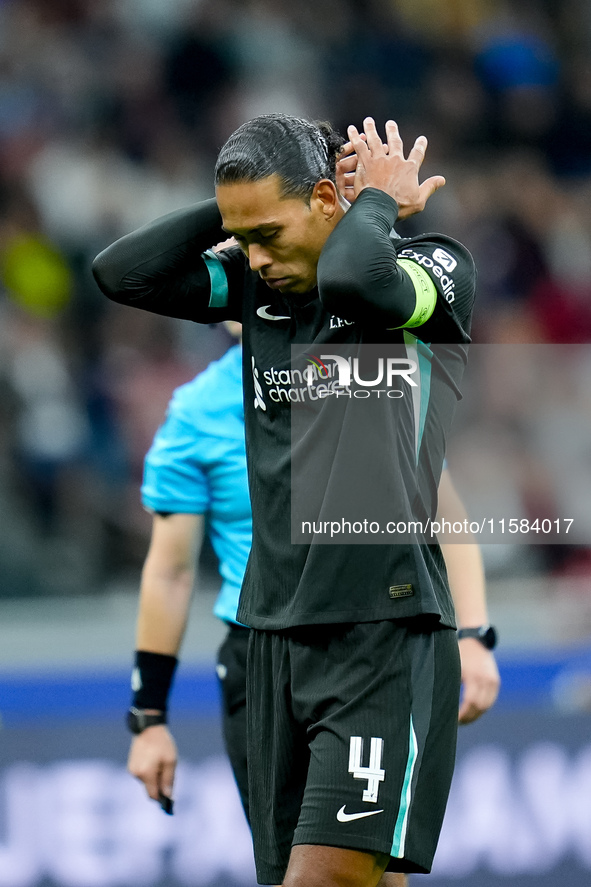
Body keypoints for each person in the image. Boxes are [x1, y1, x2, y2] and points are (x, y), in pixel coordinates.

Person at [93, 114, 479, 887]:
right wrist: (238, 209)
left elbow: (356, 280)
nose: (255, 256)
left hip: (383, 633)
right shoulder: (256, 282)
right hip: (271, 642)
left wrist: (373, 203)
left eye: (269, 230)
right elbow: (121, 272)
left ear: (330, 199)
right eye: (247, 238)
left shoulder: (431, 270)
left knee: (324, 880)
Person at [126, 324, 499, 887]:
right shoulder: (197, 412)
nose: (262, 267)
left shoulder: (362, 377)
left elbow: (441, 516)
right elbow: (170, 571)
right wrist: (148, 716)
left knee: (363, 869)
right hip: (258, 662)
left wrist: (472, 635)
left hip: (368, 645)